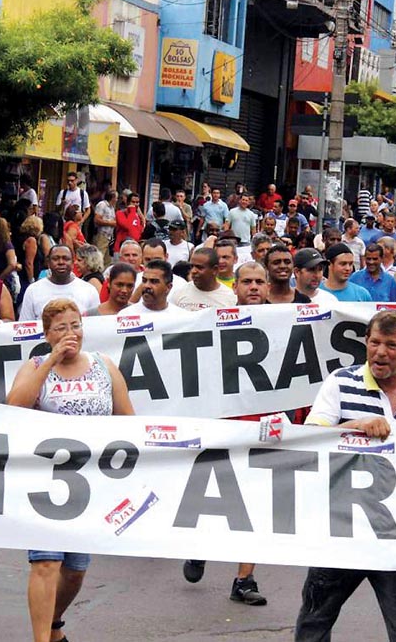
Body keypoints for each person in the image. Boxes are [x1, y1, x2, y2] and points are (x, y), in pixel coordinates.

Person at [295, 310, 396, 642]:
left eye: (390, 345)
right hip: (342, 527)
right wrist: (354, 427)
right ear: (365, 343)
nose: (380, 352)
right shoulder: (341, 381)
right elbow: (310, 437)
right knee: (313, 626)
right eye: (374, 343)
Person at [6, 299, 133, 642]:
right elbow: (13, 407)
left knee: (75, 570)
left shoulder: (103, 365)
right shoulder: (35, 365)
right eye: (61, 328)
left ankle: (54, 624)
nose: (70, 333)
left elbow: (128, 420)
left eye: (75, 325)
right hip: (45, 479)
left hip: (90, 482)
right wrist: (51, 360)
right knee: (46, 562)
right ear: (47, 334)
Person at [180, 261, 271, 606]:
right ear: (234, 287)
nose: (252, 287)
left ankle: (244, 580)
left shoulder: (287, 322)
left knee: (256, 503)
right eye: (246, 281)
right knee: (211, 497)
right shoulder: (210, 322)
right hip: (220, 422)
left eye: (258, 282)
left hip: (264, 425)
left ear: (266, 287)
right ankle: (199, 546)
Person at [19, 246, 101, 320]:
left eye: (66, 258)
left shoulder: (89, 290)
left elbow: (95, 325)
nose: (61, 262)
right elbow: (25, 326)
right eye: (55, 258)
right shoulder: (33, 290)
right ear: (48, 263)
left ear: (73, 262)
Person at [169, 248, 236, 311]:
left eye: (199, 267)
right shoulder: (180, 293)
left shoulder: (229, 298)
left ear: (215, 270)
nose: (193, 271)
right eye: (192, 266)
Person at [120, 260, 185, 315]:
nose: (147, 285)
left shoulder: (179, 316)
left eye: (154, 281)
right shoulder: (126, 316)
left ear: (168, 287)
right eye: (144, 280)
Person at [16, 215, 45, 301]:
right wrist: (31, 280)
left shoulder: (21, 238)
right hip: (26, 278)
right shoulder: (31, 240)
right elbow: (29, 263)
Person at [92, 190, 117, 264]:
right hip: (101, 235)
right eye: (116, 198)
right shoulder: (102, 205)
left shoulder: (112, 208)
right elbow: (97, 220)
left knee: (107, 260)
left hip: (108, 237)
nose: (117, 200)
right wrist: (110, 223)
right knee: (99, 257)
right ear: (112, 198)